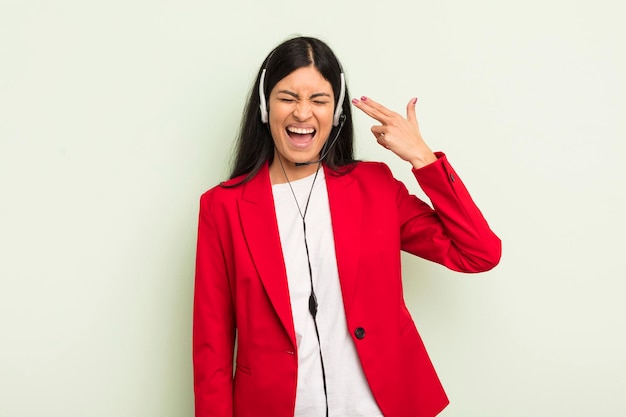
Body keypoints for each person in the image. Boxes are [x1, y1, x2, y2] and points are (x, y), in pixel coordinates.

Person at [193, 36, 501, 417]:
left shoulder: (374, 186)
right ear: (264, 106)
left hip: (378, 407)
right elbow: (212, 347)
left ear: (337, 111)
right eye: (287, 98)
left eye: (319, 100)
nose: (302, 114)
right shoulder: (222, 207)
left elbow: (479, 253)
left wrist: (423, 158)